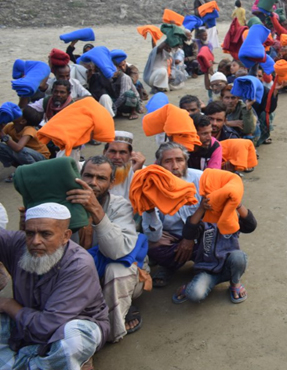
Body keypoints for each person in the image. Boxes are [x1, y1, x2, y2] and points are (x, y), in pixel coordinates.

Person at [0, 203, 110, 369]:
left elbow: (47, 326)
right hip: (26, 324)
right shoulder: (19, 245)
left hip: (67, 327)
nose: (35, 241)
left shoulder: (79, 265)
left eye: (45, 234)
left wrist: (8, 305)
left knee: (72, 341)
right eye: (30, 233)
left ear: (66, 236)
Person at [67, 156, 148, 342]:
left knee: (118, 269)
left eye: (101, 178)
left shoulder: (120, 206)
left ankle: (110, 330)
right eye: (88, 176)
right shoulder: (66, 202)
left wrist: (96, 210)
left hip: (112, 273)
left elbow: (117, 252)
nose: (93, 183)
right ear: (80, 176)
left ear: (112, 183)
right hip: (76, 275)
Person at [172, 190, 256, 304]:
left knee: (239, 257)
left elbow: (251, 225)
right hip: (207, 271)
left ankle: (235, 283)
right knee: (195, 294)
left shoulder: (233, 219)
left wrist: (238, 204)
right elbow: (188, 233)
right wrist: (201, 208)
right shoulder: (203, 221)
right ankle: (189, 287)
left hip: (228, 267)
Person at [142, 142, 202, 287]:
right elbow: (153, 235)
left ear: (186, 162)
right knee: (152, 246)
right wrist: (150, 211)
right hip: (173, 238)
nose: (175, 166)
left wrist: (189, 238)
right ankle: (171, 265)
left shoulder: (200, 178)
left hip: (201, 234)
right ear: (159, 164)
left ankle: (204, 267)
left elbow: (214, 215)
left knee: (215, 244)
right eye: (168, 161)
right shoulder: (151, 187)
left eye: (179, 160)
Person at [0, 107, 48, 180]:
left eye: (19, 113)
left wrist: (3, 136)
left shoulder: (29, 129)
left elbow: (18, 148)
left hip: (41, 158)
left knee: (20, 150)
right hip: (26, 156)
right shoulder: (10, 127)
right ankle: (22, 170)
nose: (16, 113)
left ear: (22, 121)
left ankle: (35, 172)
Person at [103, 131, 145, 201]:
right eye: (112, 151)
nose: (117, 157)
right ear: (104, 152)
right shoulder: (91, 168)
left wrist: (137, 173)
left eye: (122, 152)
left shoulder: (140, 170)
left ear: (130, 154)